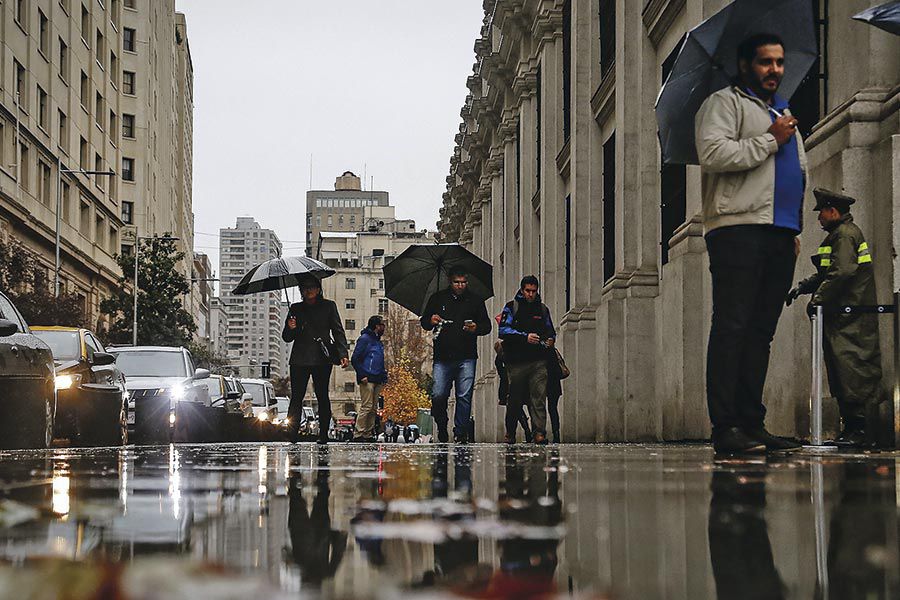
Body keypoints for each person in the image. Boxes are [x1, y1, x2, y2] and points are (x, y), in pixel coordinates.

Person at [695, 32, 808, 454]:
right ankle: (726, 427)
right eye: (766, 62)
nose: (775, 69)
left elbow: (790, 173)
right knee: (733, 326)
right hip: (738, 229)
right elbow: (714, 154)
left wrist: (792, 228)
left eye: (779, 62)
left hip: (778, 233)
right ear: (745, 66)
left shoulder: (781, 110)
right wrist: (771, 138)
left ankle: (751, 421)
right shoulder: (723, 104)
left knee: (761, 332)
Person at [786, 189, 882, 448]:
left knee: (851, 369)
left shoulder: (844, 236)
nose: (819, 219)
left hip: (850, 317)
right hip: (843, 317)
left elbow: (842, 273)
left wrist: (818, 299)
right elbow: (828, 272)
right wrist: (804, 287)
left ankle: (859, 430)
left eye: (821, 214)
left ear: (833, 211)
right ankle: (852, 428)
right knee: (843, 370)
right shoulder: (837, 236)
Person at [420, 267, 492, 443]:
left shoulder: (475, 300)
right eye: (457, 282)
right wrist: (431, 320)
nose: (460, 285)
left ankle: (461, 432)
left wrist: (476, 328)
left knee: (464, 396)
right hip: (442, 357)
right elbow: (424, 323)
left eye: (463, 282)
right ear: (450, 281)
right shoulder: (437, 299)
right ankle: (442, 424)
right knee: (438, 394)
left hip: (466, 356)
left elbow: (487, 326)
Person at [282, 277, 349, 444]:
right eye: (304, 288)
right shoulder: (295, 308)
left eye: (311, 287)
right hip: (299, 359)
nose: (308, 291)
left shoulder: (329, 306)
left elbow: (337, 330)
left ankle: (324, 435)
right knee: (296, 397)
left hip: (322, 357)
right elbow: (287, 337)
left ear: (318, 289)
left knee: (322, 396)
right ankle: (292, 434)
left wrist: (343, 353)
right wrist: (291, 328)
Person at [498, 275, 556, 444]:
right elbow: (503, 330)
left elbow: (550, 330)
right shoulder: (511, 307)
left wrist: (550, 340)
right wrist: (525, 337)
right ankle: (510, 431)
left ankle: (539, 432)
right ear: (522, 290)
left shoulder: (542, 310)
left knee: (538, 397)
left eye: (533, 291)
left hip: (538, 360)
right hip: (516, 362)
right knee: (514, 400)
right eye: (528, 291)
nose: (530, 294)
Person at [351, 315, 387, 442]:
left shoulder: (377, 341)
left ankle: (368, 433)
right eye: (382, 324)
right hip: (367, 378)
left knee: (373, 409)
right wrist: (361, 375)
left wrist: (383, 376)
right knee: (367, 406)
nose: (384, 327)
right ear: (377, 326)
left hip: (377, 378)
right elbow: (355, 358)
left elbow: (379, 360)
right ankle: (359, 433)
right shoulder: (365, 339)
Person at [494, 340, 533, 442]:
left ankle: (526, 431)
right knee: (519, 409)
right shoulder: (501, 358)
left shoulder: (499, 359)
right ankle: (527, 430)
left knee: (517, 409)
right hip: (510, 386)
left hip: (509, 386)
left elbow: (502, 374)